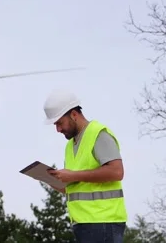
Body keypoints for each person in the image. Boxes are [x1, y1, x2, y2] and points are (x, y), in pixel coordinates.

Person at [42, 89, 127, 243]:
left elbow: (116, 171)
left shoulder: (98, 134)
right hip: (83, 224)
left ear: (74, 114)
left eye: (60, 123)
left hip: (104, 222)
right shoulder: (70, 146)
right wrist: (51, 180)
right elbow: (75, 187)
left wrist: (72, 175)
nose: (58, 129)